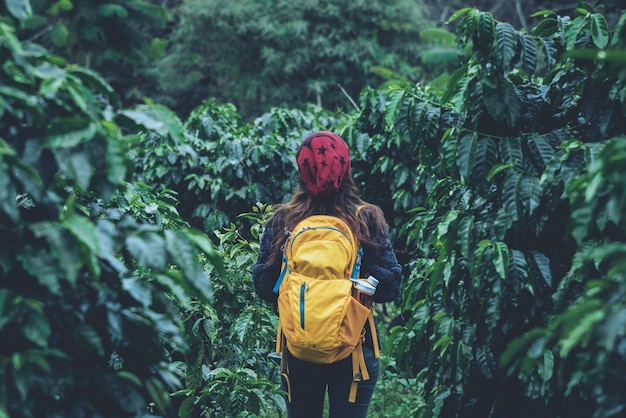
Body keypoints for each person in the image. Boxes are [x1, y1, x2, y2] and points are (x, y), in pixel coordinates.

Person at [252, 131, 403, 418]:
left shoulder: (283, 220)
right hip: (355, 349)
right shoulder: (366, 218)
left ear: (302, 170)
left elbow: (264, 285)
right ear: (346, 169)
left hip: (298, 347)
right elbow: (389, 287)